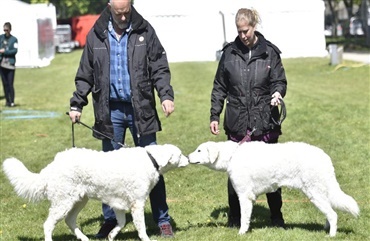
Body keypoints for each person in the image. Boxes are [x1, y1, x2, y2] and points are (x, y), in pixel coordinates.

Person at [68, 0, 175, 238]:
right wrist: (77, 103)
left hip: (141, 108)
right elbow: (85, 72)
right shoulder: (97, 34)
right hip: (110, 111)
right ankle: (110, 220)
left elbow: (159, 66)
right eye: (119, 13)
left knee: (153, 167)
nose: (124, 17)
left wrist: (165, 95)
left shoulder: (145, 30)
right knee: (108, 170)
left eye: (126, 12)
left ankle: (162, 220)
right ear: (109, 7)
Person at [209, 8, 288, 229]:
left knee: (272, 172)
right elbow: (219, 87)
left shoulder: (270, 52)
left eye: (247, 30)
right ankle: (235, 218)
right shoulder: (229, 53)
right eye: (240, 31)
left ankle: (276, 217)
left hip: (265, 121)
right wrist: (214, 114)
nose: (243, 35)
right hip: (237, 121)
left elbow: (279, 81)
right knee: (235, 173)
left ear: (255, 26)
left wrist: (277, 93)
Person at [0, 22, 18, 107]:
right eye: (4, 30)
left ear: (10, 30)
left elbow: (14, 51)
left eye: (7, 30)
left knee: (10, 84)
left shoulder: (14, 39)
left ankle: (12, 101)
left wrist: (5, 51)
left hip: (10, 64)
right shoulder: (1, 38)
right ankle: (7, 101)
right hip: (2, 64)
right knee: (5, 83)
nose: (5, 31)